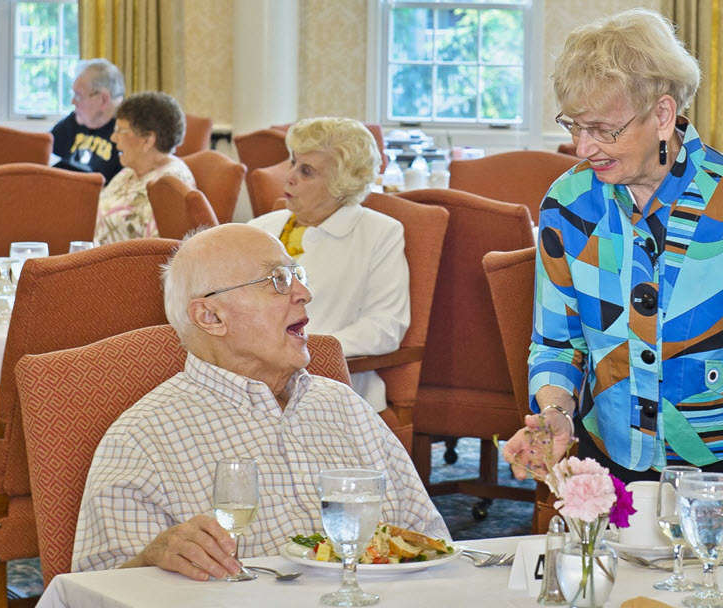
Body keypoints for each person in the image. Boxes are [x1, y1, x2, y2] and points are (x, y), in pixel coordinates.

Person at [499, 9, 723, 564]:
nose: (583, 148)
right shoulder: (568, 205)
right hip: (610, 461)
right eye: (574, 126)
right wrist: (553, 417)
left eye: (603, 130)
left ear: (662, 115)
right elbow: (557, 344)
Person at [72, 224, 447, 579]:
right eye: (278, 281)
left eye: (298, 275)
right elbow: (94, 592)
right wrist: (151, 559)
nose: (304, 292)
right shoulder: (143, 439)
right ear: (211, 316)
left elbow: (431, 544)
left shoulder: (343, 406)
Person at [246, 117, 407, 414]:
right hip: (250, 378)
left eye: (306, 171)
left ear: (340, 185)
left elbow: (386, 326)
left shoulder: (380, 233)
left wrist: (305, 348)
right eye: (293, 163)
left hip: (331, 383)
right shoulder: (258, 228)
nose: (288, 177)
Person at [93, 91, 195, 244]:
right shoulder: (129, 173)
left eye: (121, 131)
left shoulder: (171, 184)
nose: (113, 138)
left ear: (147, 140)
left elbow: (159, 252)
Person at [51, 58, 124, 183]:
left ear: (103, 99)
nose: (73, 102)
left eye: (79, 96)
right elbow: (43, 154)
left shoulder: (128, 133)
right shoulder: (74, 121)